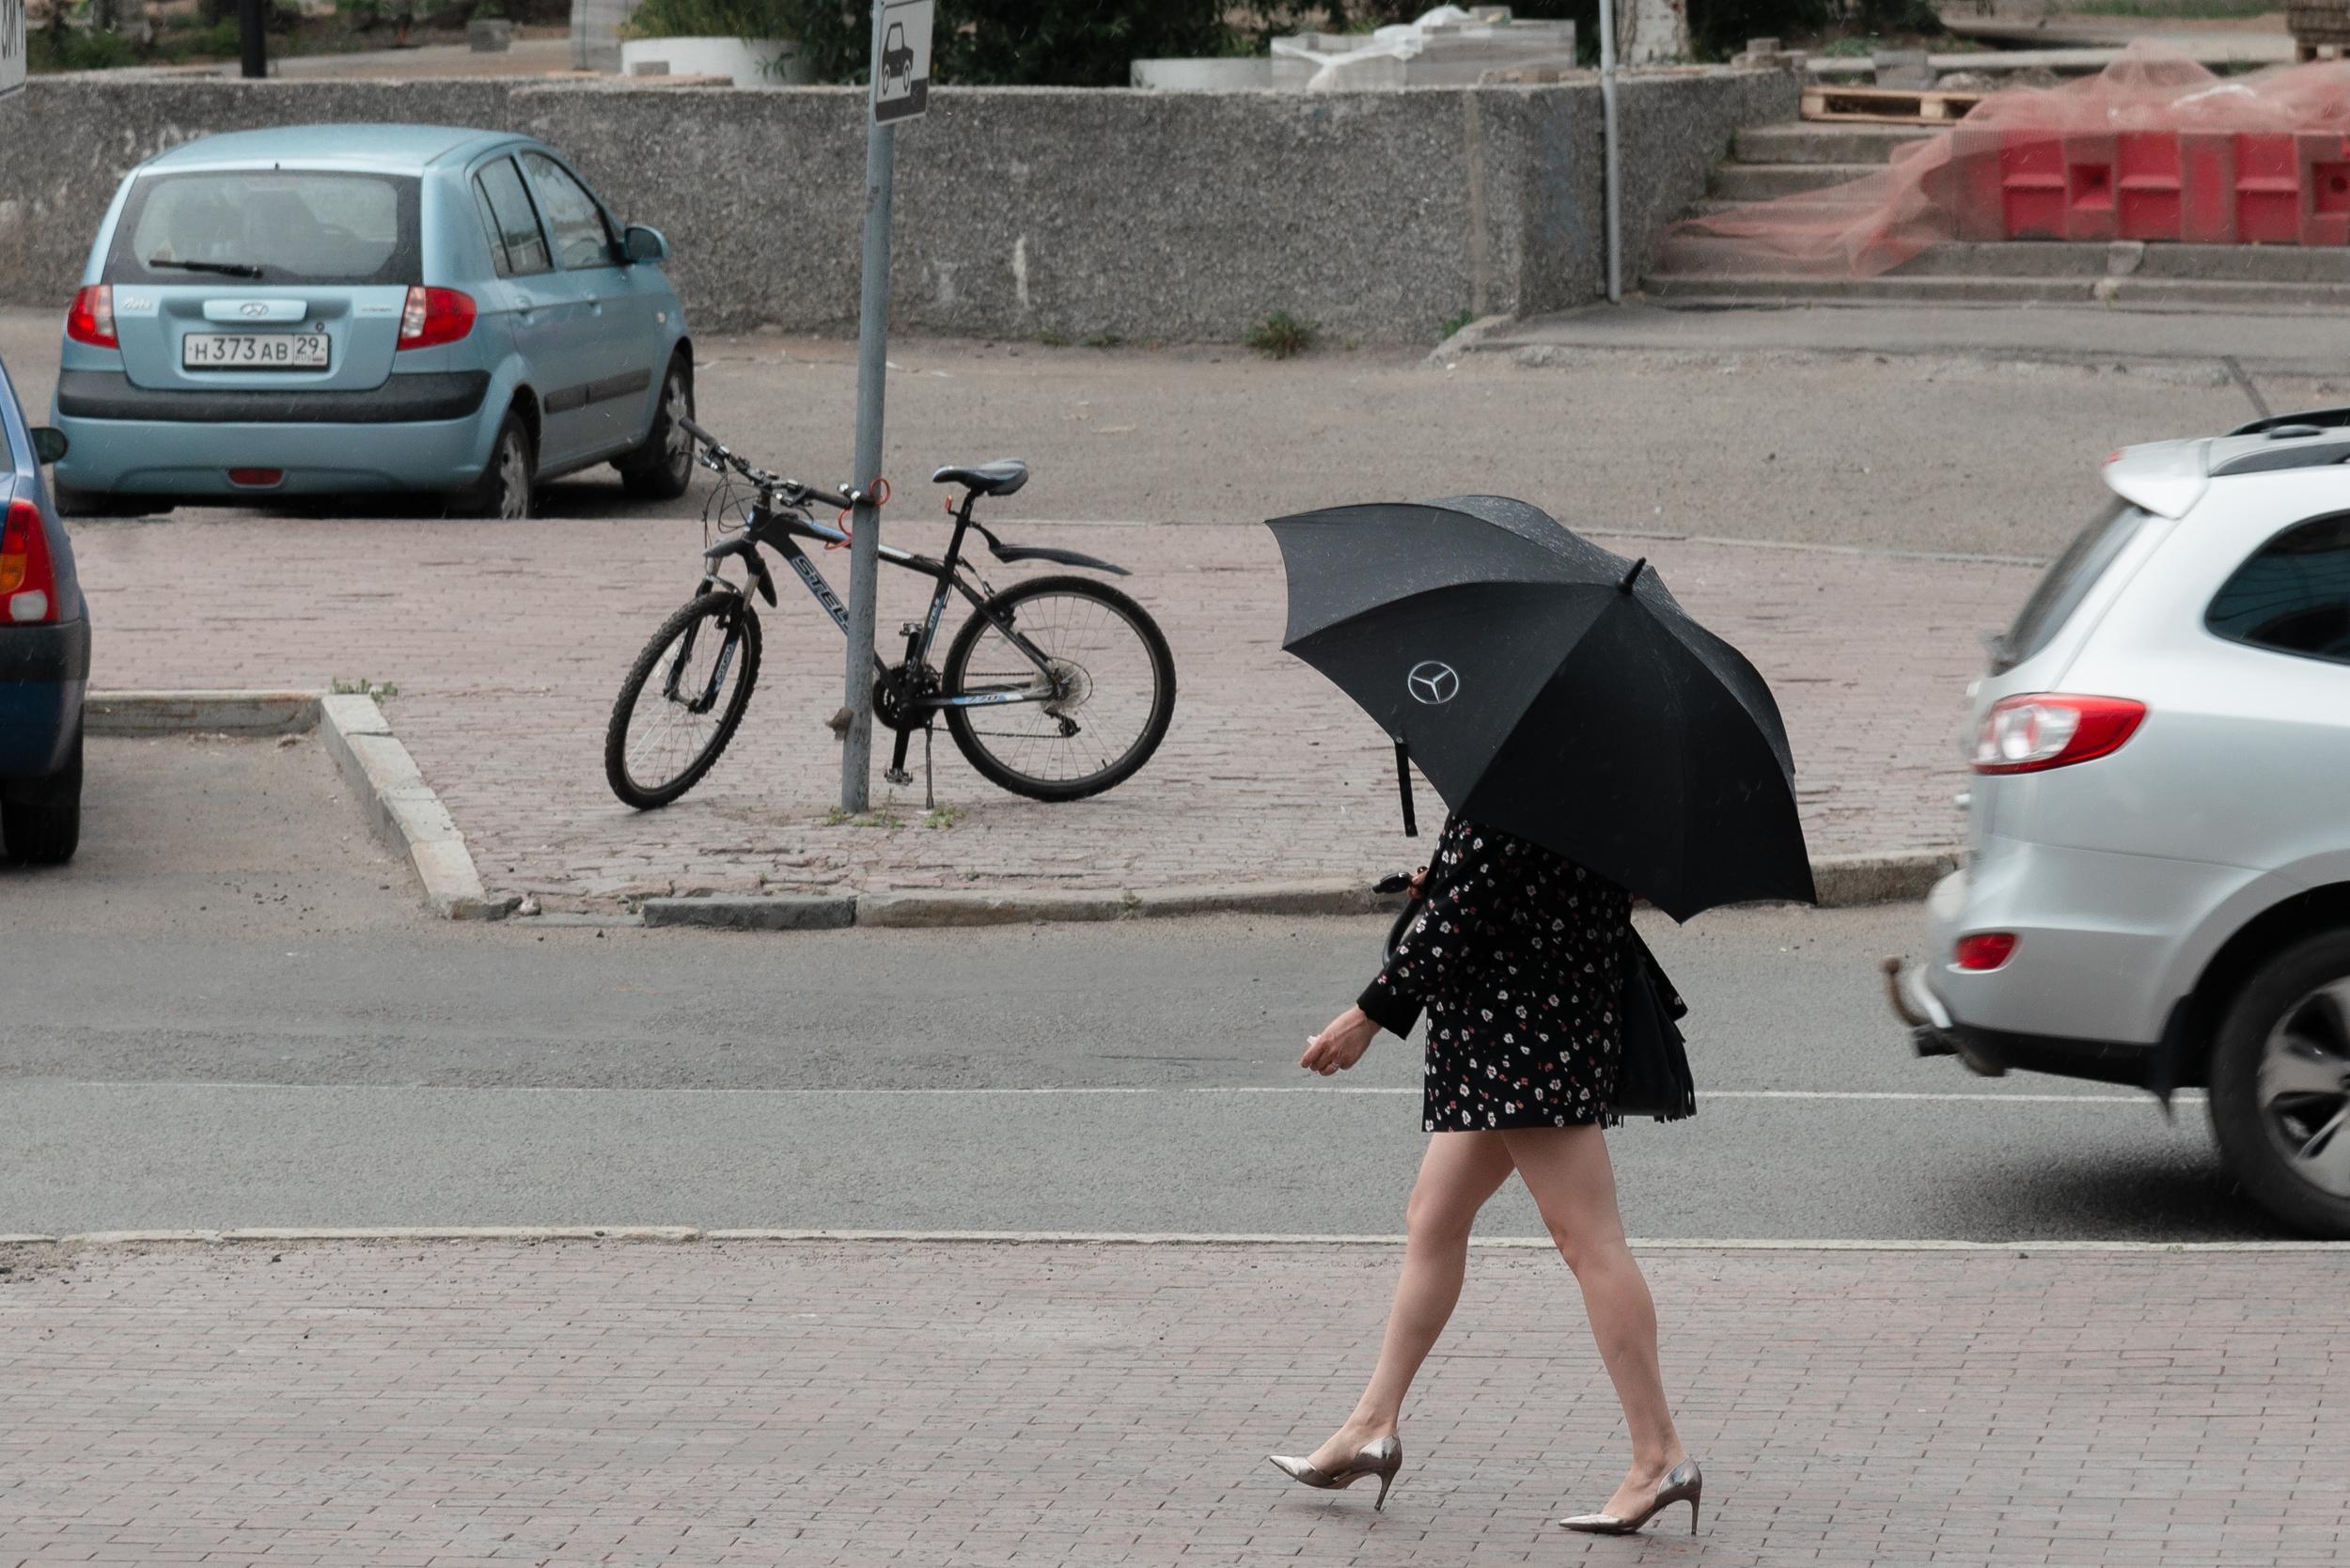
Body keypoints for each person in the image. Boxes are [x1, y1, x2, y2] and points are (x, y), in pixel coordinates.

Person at [1265, 813, 1702, 1536]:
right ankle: (1371, 1424)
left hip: (1522, 1037)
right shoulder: (1595, 774)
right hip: (1533, 1027)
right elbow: (1522, 890)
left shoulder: (1516, 780)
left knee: (1588, 1239)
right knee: (1433, 1219)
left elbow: (1460, 921)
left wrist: (1365, 1016)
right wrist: (1445, 882)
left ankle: (1658, 1456)